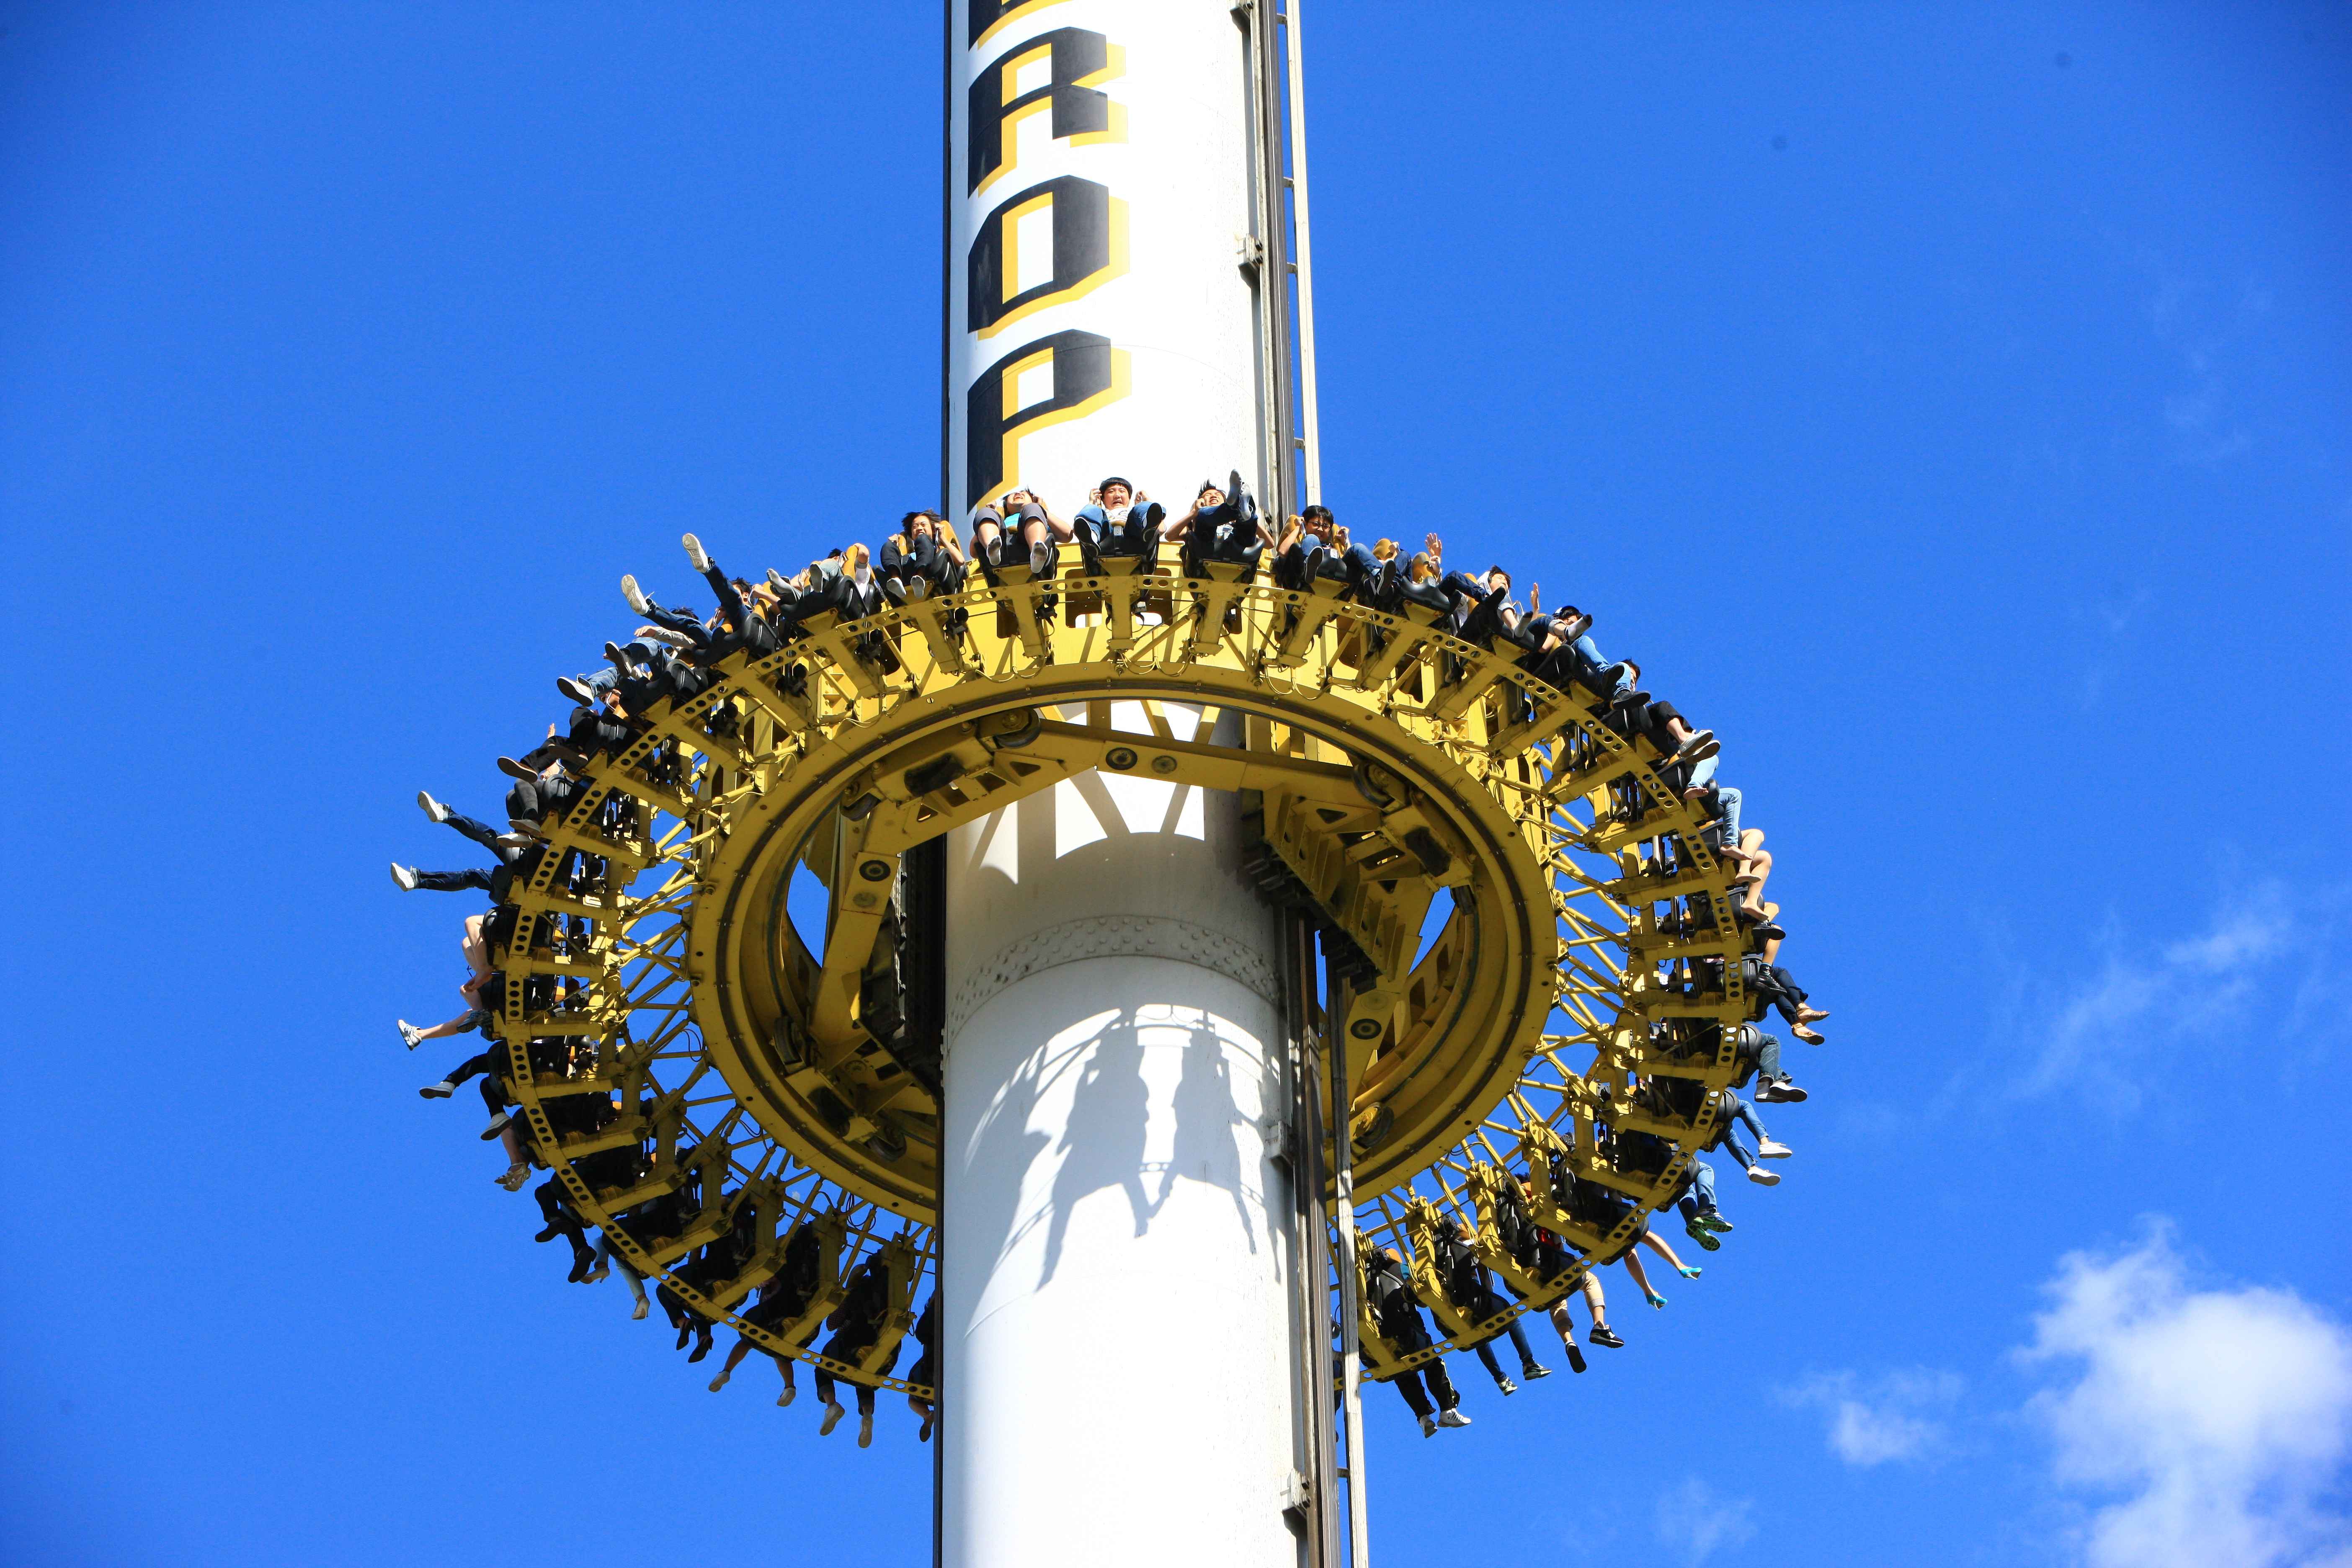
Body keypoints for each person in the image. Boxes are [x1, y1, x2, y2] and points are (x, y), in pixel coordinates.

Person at [1361, 1241, 1469, 1436]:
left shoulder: (1361, 1279)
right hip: (1408, 1330)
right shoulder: (1400, 1269)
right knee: (1433, 1363)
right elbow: (1421, 1296)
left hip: (1382, 1339)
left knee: (1402, 1374)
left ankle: (1423, 1417)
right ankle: (1448, 1409)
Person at [1432, 1220, 1550, 1393]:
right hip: (1474, 1294)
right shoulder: (1466, 1247)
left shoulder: (1431, 1256)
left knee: (1478, 1336)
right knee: (1511, 1316)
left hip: (1451, 1304)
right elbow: (1483, 1272)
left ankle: (1501, 1379)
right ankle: (1529, 1363)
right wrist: (1489, 1295)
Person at [815, 1251, 899, 1448]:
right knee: (866, 1377)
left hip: (848, 1347)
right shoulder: (889, 1304)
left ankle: (832, 1405)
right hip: (879, 1352)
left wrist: (845, 1296)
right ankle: (867, 1413)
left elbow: (831, 1324)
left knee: (822, 1367)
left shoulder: (854, 1298)